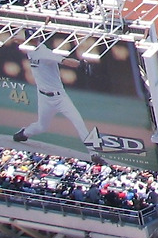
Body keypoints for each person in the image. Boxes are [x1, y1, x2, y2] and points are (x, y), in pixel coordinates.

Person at [12, 33, 100, 161]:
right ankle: (24, 133)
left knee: (78, 122)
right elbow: (18, 40)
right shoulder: (29, 49)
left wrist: (82, 64)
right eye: (30, 38)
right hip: (43, 97)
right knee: (42, 126)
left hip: (60, 98)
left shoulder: (45, 53)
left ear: (38, 39)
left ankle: (94, 154)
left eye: (34, 38)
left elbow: (66, 61)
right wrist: (18, 39)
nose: (32, 41)